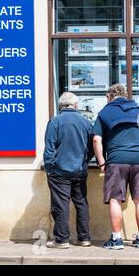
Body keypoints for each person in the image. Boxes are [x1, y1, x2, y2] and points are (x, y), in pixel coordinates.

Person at [93, 84, 139, 250]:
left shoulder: (105, 112)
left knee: (115, 199)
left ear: (109, 97)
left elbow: (97, 139)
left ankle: (117, 240)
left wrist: (101, 162)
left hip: (116, 160)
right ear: (125, 96)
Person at [43, 92, 94, 249]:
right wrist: (84, 161)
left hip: (59, 172)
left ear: (60, 106)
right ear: (76, 105)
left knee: (61, 205)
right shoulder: (86, 122)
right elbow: (92, 148)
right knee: (81, 203)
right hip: (80, 170)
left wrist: (50, 168)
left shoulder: (55, 122)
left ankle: (61, 240)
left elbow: (49, 148)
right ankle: (84, 238)